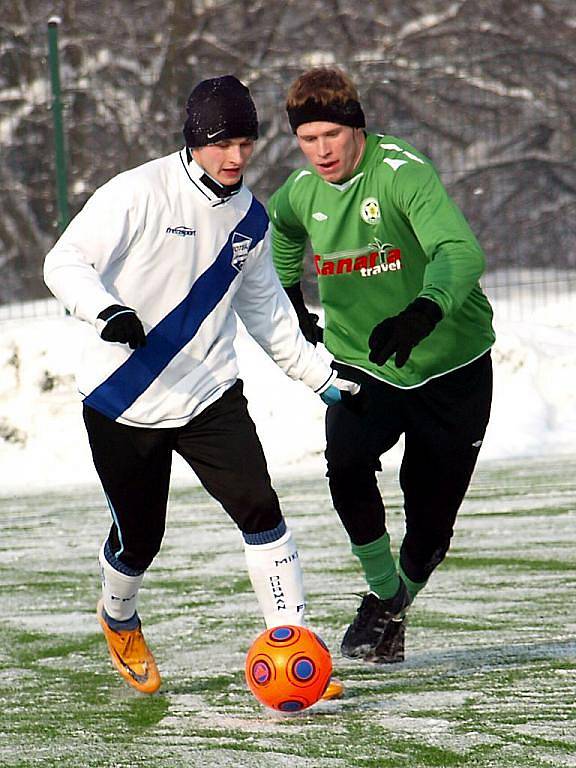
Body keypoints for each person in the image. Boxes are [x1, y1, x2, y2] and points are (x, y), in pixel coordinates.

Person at [43, 75, 356, 697]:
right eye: (221, 143)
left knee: (260, 509)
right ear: (192, 142)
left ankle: (296, 649)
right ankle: (119, 616)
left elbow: (268, 313)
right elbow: (64, 262)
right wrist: (106, 312)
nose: (235, 157)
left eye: (244, 142)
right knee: (140, 539)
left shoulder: (251, 219)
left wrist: (319, 377)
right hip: (121, 399)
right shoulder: (137, 192)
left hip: (210, 393)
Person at [268, 67, 495, 664]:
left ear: (356, 129)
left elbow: (461, 250)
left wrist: (425, 311)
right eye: (308, 138)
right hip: (364, 363)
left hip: (453, 364)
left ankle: (393, 600)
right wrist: (291, 297)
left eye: (331, 137)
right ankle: (386, 597)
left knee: (429, 525)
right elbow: (283, 231)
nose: (321, 151)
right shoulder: (299, 192)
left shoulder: (400, 173)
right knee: (344, 463)